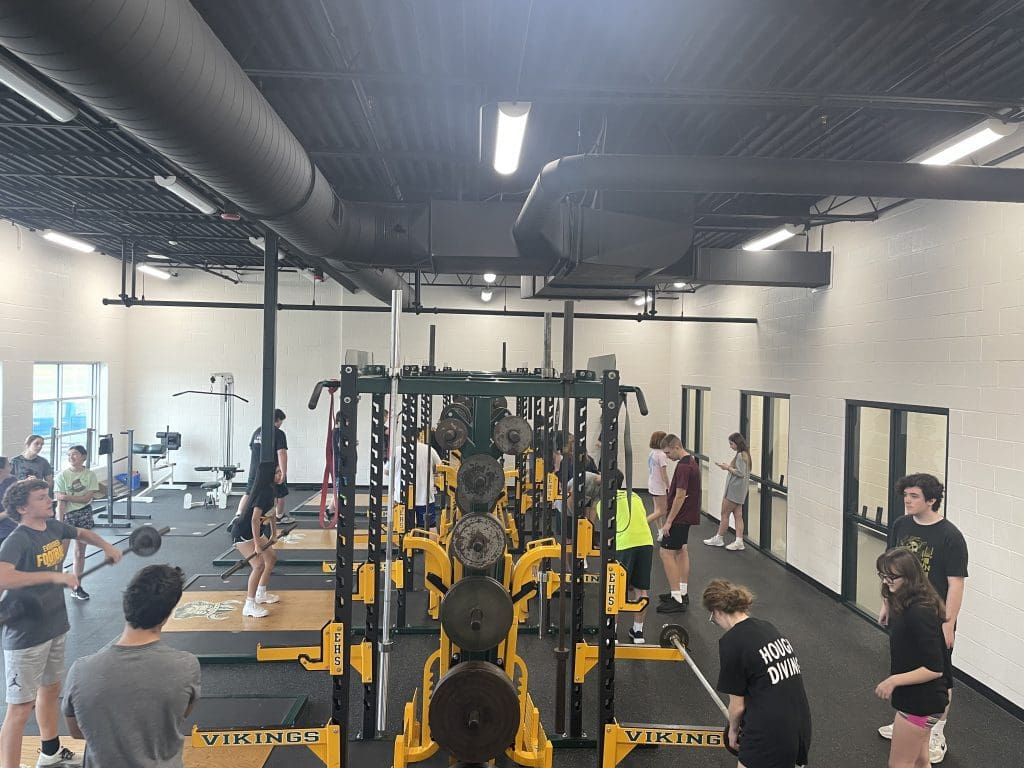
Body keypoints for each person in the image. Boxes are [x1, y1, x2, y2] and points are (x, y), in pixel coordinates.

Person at [0, 478, 123, 768]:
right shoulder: (18, 539)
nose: (50, 501)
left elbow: (80, 532)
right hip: (25, 634)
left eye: (48, 496)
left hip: (54, 624)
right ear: (23, 508)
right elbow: (3, 577)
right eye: (42, 498)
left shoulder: (53, 526)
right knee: (19, 710)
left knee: (50, 689)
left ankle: (50, 753)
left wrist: (106, 545)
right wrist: (55, 576)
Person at [63, 564, 201, 768]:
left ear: (127, 603)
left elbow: (76, 731)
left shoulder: (80, 671)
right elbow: (179, 715)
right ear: (166, 615)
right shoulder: (186, 666)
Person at [877, 473, 966, 764]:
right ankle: (907, 720)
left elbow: (955, 583)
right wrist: (886, 603)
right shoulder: (901, 525)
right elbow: (890, 565)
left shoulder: (950, 535)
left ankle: (936, 729)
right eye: (906, 495)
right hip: (904, 610)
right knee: (907, 661)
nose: (907, 500)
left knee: (940, 673)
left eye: (914, 496)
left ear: (931, 499)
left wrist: (949, 622)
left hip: (933, 616)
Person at [703, 579, 811, 768]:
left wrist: (732, 732)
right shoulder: (768, 628)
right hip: (799, 725)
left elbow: (737, 706)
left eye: (713, 619)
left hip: (770, 731)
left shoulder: (732, 642)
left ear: (717, 611)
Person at [874, 549, 948, 768]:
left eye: (892, 577)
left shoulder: (919, 613)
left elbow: (935, 668)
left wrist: (893, 681)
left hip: (920, 705)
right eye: (883, 576)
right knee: (920, 761)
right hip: (921, 700)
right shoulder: (904, 600)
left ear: (910, 577)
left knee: (899, 764)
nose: (886, 582)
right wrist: (886, 605)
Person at [594, 469, 653, 643]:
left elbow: (607, 532)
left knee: (616, 587)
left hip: (625, 543)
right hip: (646, 542)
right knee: (641, 589)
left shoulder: (603, 502)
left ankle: (611, 633)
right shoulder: (635, 496)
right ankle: (638, 632)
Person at [655, 434, 700, 614]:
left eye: (668, 452)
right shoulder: (692, 461)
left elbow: (680, 496)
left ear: (676, 447)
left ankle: (676, 598)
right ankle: (682, 592)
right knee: (681, 550)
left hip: (680, 517)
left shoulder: (683, 467)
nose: (667, 456)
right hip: (687, 515)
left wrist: (668, 522)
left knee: (665, 553)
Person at [230, 466, 283, 618]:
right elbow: (254, 520)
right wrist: (258, 545)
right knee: (258, 565)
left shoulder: (273, 490)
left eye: (280, 472)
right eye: (277, 472)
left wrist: (274, 533)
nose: (280, 475)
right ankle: (249, 605)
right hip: (242, 533)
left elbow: (272, 513)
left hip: (256, 531)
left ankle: (261, 593)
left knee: (271, 558)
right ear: (269, 475)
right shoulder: (263, 493)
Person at [53, 446, 100, 600]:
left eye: (75, 454)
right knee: (60, 554)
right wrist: (60, 523)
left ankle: (76, 586)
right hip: (67, 516)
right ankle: (56, 586)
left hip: (84, 513)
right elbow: (60, 503)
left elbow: (87, 498)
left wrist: (67, 497)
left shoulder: (90, 475)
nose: (71, 457)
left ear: (83, 457)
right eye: (69, 455)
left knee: (80, 553)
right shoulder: (61, 477)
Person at [236, 409, 291, 525]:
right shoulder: (278, 433)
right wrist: (283, 472)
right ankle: (280, 516)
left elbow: (252, 447)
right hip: (270, 469)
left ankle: (238, 516)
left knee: (249, 491)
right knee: (280, 492)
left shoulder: (257, 431)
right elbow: (281, 453)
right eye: (281, 421)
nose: (281, 424)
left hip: (255, 468)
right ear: (278, 420)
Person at [705, 432, 752, 551]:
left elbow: (740, 473)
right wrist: (728, 467)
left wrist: (727, 468)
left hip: (733, 491)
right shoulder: (746, 454)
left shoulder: (741, 456)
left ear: (737, 443)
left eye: (731, 444)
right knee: (738, 516)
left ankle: (719, 538)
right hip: (740, 491)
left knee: (724, 514)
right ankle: (739, 541)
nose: (730, 446)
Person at [414, 441, 442, 536]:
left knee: (408, 527)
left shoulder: (398, 450)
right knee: (431, 525)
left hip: (403, 497)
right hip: (424, 496)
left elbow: (386, 471)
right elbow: (440, 469)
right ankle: (431, 551)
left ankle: (410, 550)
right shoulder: (429, 450)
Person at [646, 430, 670, 530]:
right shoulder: (662, 455)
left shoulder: (652, 453)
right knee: (662, 511)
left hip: (652, 484)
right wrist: (669, 486)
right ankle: (644, 523)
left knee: (657, 510)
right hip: (659, 486)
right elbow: (663, 474)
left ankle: (660, 531)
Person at [0, 459, 16, 547]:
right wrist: (8, 511)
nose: (11, 466)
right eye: (8, 465)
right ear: (1, 471)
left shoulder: (12, 480)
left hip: (15, 530)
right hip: (2, 533)